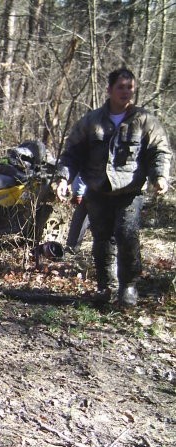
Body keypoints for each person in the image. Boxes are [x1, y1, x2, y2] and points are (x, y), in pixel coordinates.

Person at [56, 68, 171, 307]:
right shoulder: (91, 121)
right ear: (109, 90)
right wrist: (63, 178)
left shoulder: (144, 120)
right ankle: (105, 287)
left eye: (130, 88)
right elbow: (72, 153)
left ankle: (128, 286)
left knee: (126, 234)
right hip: (97, 190)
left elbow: (159, 150)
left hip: (129, 191)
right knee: (101, 239)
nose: (126, 92)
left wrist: (159, 176)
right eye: (121, 87)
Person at [65, 175, 89, 254]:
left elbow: (80, 174)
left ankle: (72, 248)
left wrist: (79, 192)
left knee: (81, 217)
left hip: (89, 193)